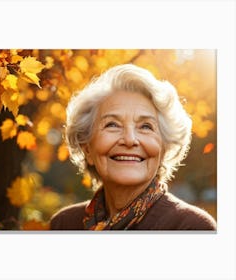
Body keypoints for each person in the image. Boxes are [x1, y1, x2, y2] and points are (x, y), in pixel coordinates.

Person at [50, 64, 217, 230]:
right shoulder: (63, 224)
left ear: (164, 148)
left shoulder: (191, 227)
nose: (129, 140)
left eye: (146, 127)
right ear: (87, 148)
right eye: (112, 125)